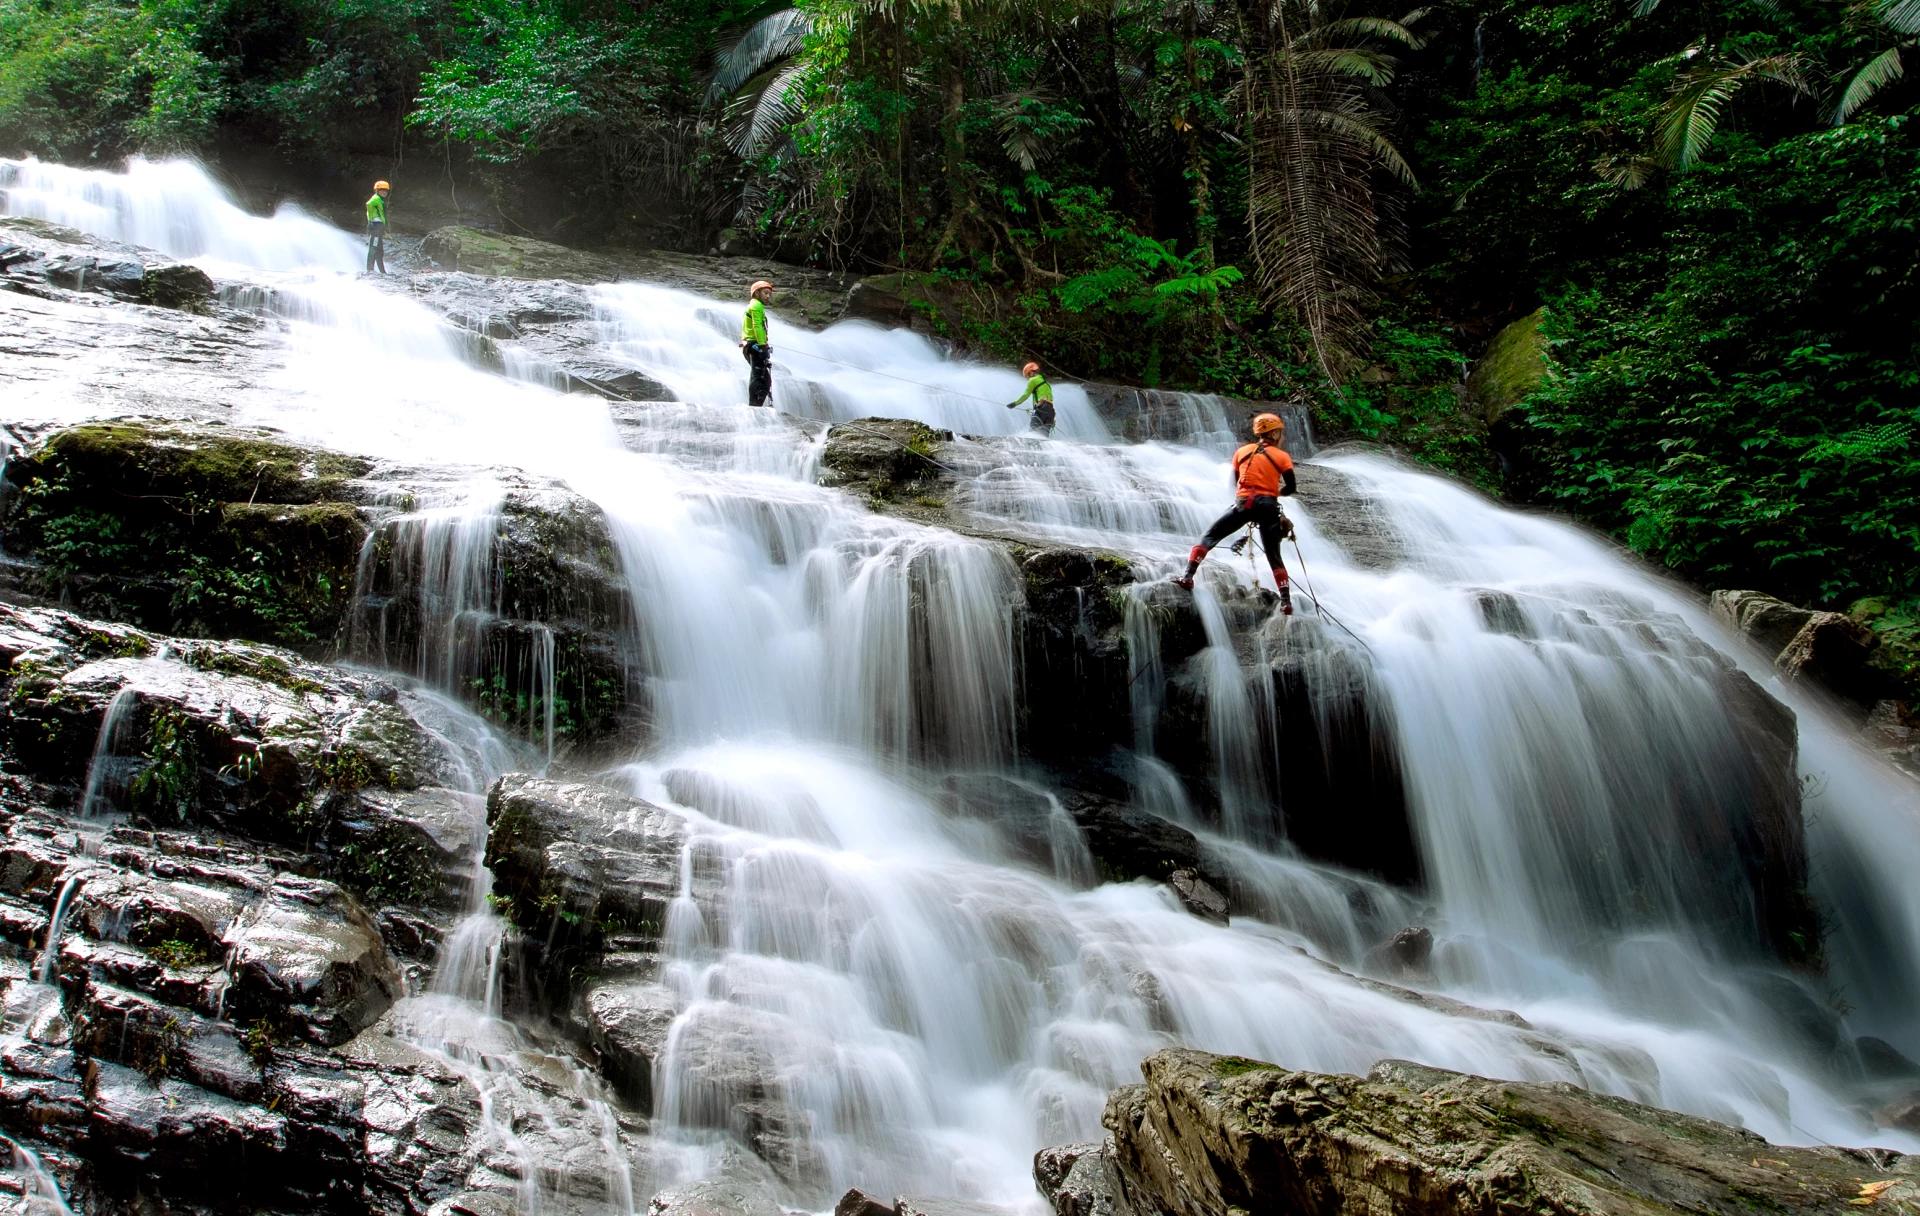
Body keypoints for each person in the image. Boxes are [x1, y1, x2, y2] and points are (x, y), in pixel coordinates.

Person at [1172, 412, 1297, 614]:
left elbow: (1236, 482)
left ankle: (1187, 577)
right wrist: (1274, 494)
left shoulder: (1242, 452)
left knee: (1210, 536)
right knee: (1274, 555)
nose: (1282, 437)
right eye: (1280, 433)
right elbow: (1291, 487)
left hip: (1243, 503)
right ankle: (1286, 602)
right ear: (1273, 434)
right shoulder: (1282, 456)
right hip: (1268, 506)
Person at [740, 280, 774, 408]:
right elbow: (757, 326)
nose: (768, 296)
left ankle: (756, 406)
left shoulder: (754, 305)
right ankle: (754, 407)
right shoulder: (756, 306)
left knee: (764, 378)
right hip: (754, 345)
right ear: (756, 292)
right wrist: (762, 346)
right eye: (765, 293)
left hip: (751, 344)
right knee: (759, 375)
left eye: (769, 294)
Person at [1006, 362, 1055, 434]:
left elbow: (1026, 395)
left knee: (1033, 431)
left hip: (1042, 407)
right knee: (1044, 436)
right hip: (1051, 412)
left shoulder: (1033, 380)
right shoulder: (1045, 383)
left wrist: (1015, 403)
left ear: (1031, 373)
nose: (1027, 379)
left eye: (1027, 376)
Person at [365, 181, 391, 275]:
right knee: (374, 247)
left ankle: (382, 271)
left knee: (380, 250)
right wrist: (371, 220)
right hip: (375, 226)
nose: (384, 192)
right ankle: (370, 269)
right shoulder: (376, 198)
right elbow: (369, 204)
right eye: (382, 190)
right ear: (377, 190)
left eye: (386, 191)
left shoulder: (380, 200)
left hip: (379, 227)